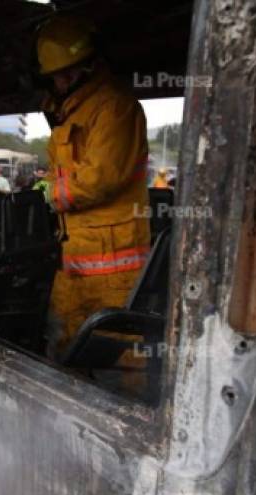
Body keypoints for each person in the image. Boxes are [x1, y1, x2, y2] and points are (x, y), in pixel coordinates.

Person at [37, 14, 151, 358]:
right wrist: (43, 187)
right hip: (74, 262)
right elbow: (62, 172)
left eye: (72, 70)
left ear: (91, 65)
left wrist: (50, 195)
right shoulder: (69, 114)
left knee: (119, 359)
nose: (64, 79)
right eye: (58, 74)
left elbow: (101, 178)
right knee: (61, 346)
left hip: (116, 267)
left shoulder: (115, 107)